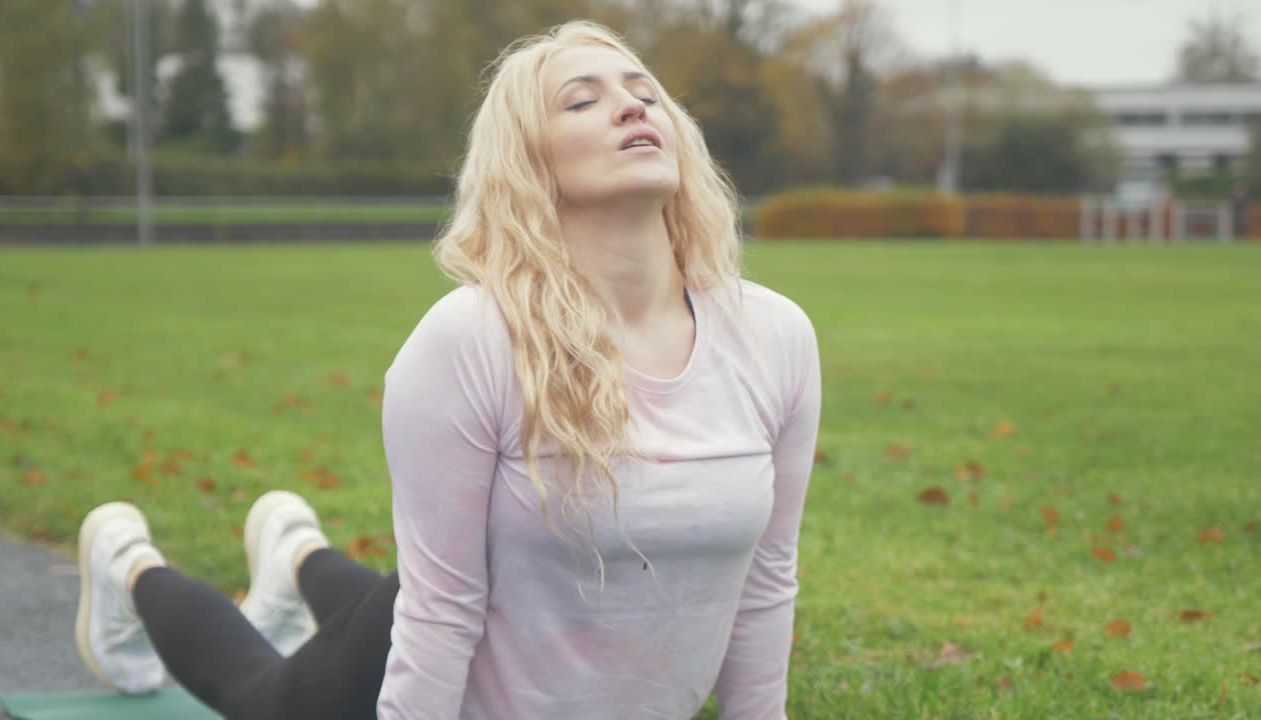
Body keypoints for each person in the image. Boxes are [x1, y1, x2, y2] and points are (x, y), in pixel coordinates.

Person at [73, 19, 821, 720]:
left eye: (643, 91)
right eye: (582, 101)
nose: (630, 106)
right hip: (438, 650)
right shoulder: (471, 340)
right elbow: (441, 607)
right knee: (262, 695)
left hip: (506, 600)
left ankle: (295, 550)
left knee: (401, 592)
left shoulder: (774, 336)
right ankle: (127, 563)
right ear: (530, 163)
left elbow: (764, 583)